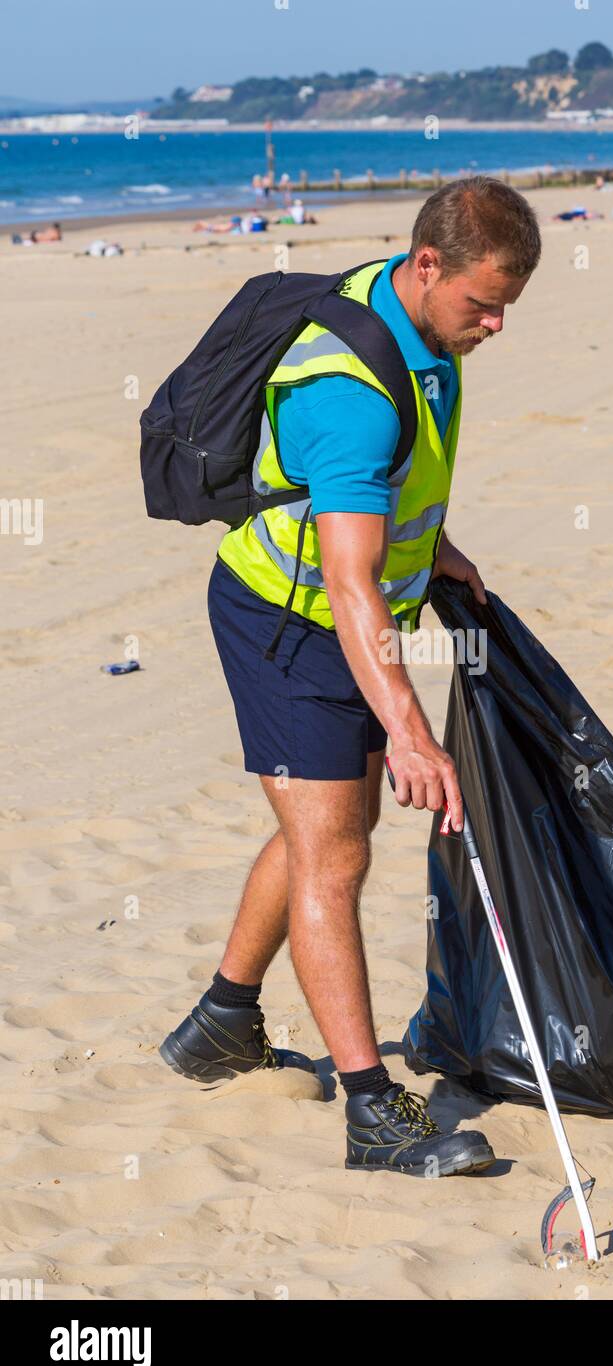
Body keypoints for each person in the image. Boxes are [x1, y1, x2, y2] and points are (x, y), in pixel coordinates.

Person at [160, 176, 541, 1178]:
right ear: (427, 266)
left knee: (329, 827)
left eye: (506, 304)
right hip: (290, 624)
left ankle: (220, 1021)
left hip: (344, 615)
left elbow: (383, 495)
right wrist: (410, 730)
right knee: (335, 856)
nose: (495, 324)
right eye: (481, 303)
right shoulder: (349, 391)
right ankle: (372, 1109)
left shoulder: (422, 323)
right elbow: (348, 577)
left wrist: (440, 545)